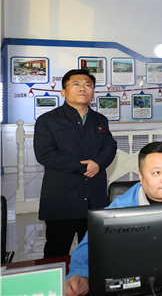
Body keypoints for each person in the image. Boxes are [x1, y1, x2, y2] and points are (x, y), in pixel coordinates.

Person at [64, 140, 162, 296]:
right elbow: (92, 242)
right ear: (141, 176)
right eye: (157, 173)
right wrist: (81, 273)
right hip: (138, 281)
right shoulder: (123, 205)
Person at [34, 69, 117, 258]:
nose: (83, 88)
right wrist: (85, 166)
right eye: (76, 84)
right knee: (56, 253)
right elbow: (45, 154)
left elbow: (110, 146)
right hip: (62, 200)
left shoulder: (100, 120)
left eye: (88, 85)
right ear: (63, 91)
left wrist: (98, 163)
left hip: (94, 199)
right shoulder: (48, 121)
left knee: (94, 254)